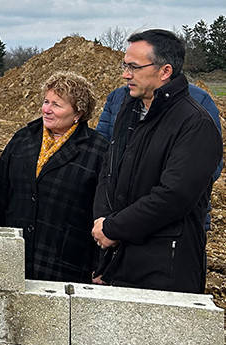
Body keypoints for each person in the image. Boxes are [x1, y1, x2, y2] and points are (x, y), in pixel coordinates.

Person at [92, 29, 222, 293]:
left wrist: (114, 228)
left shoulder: (195, 124)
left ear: (165, 71)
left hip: (164, 268)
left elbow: (173, 197)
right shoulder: (129, 109)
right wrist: (103, 224)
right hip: (118, 257)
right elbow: (109, 170)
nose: (125, 74)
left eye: (134, 67)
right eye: (124, 65)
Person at [0, 72, 108, 283]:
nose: (46, 109)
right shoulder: (22, 140)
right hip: (16, 257)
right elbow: (1, 198)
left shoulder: (98, 151)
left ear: (78, 113)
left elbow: (102, 211)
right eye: (46, 101)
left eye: (57, 105)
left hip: (66, 262)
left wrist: (100, 264)